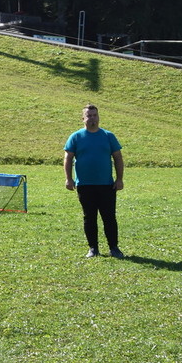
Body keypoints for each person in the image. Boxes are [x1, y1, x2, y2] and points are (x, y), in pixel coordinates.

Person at [64, 104, 125, 258]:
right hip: (85, 185)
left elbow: (117, 157)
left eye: (95, 115)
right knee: (89, 217)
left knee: (109, 217)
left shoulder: (108, 136)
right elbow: (68, 157)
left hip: (106, 185)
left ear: (98, 117)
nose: (92, 118)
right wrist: (69, 179)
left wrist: (119, 179)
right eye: (89, 116)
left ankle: (114, 248)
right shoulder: (76, 137)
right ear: (83, 118)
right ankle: (93, 248)